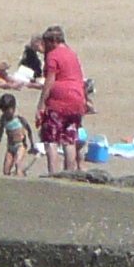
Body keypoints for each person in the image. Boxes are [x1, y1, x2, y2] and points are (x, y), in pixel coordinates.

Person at [34, 25, 88, 173]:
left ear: (53, 41)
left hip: (59, 100)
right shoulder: (72, 54)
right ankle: (69, 173)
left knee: (51, 138)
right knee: (69, 139)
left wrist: (41, 104)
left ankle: (53, 173)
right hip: (77, 99)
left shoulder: (54, 55)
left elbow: (50, 80)